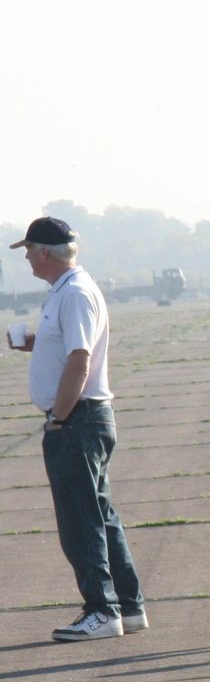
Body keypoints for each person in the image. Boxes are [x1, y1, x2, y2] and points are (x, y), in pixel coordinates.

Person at [6, 217, 145, 641]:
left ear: (45, 252)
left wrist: (60, 418)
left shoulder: (75, 293)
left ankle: (102, 610)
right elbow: (69, 347)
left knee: (80, 521)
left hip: (78, 419)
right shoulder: (66, 291)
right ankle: (128, 606)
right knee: (99, 515)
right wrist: (36, 344)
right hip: (83, 417)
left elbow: (80, 360)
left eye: (29, 251)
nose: (27, 259)